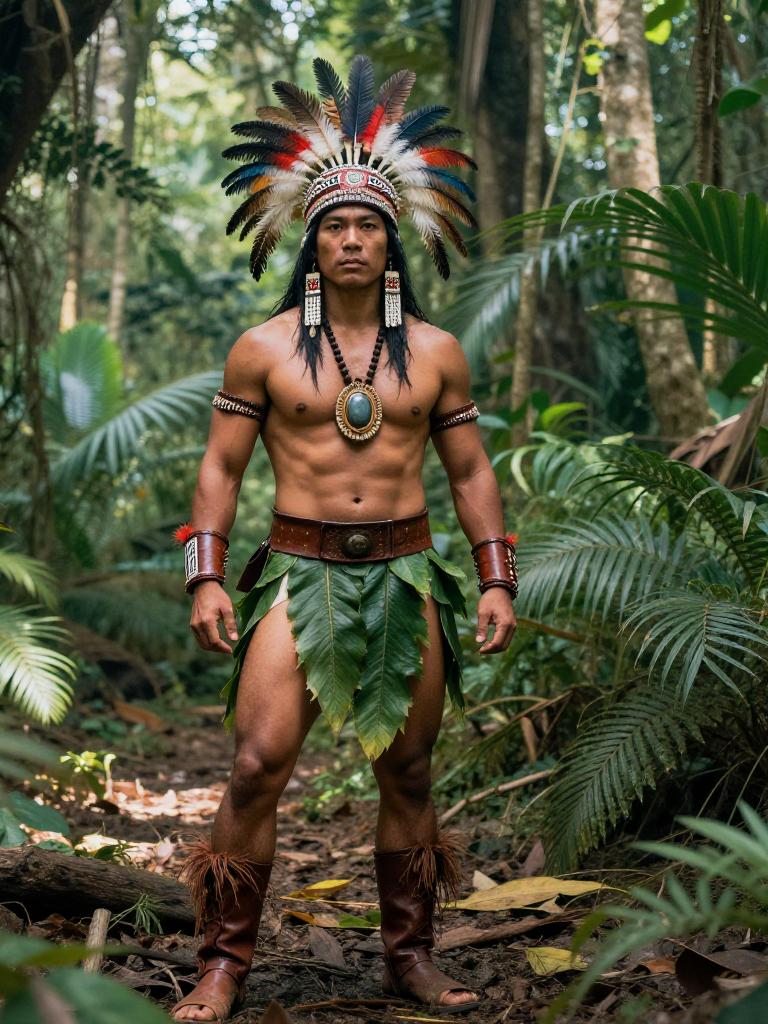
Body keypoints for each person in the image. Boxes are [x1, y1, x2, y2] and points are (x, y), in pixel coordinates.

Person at [170, 55, 518, 1023]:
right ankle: (222, 964)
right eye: (335, 224)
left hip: (407, 571)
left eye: (368, 223)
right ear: (310, 239)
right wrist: (205, 577)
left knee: (407, 768)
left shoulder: (437, 353)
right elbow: (222, 472)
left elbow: (470, 474)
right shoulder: (264, 348)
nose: (352, 238)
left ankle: (408, 956)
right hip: (296, 570)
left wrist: (495, 580)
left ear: (391, 236)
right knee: (254, 763)